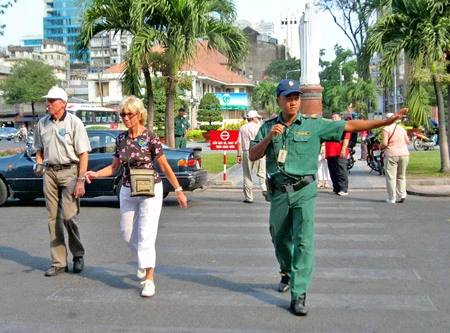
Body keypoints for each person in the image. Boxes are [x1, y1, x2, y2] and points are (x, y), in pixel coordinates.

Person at [249, 79, 408, 316]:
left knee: (303, 241)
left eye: (296, 97)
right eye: (288, 98)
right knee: (279, 238)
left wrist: (385, 121)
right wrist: (269, 137)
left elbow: (351, 126)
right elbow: (252, 155)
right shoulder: (268, 126)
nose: (293, 102)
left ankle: (299, 293)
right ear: (278, 101)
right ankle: (287, 272)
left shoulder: (314, 125)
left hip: (304, 191)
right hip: (280, 192)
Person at [85, 96, 188, 297]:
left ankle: (149, 279)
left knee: (146, 235)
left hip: (151, 189)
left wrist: (178, 190)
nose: (125, 117)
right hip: (127, 188)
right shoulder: (121, 139)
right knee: (127, 233)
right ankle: (143, 260)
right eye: (122, 114)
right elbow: (114, 167)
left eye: (129, 114)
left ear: (139, 115)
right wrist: (95, 174)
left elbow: (165, 166)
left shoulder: (150, 137)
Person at [33, 86, 91, 277]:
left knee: (68, 216)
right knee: (53, 218)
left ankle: (78, 254)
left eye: (52, 101)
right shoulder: (42, 123)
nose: (48, 104)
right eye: (47, 101)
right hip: (49, 172)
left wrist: (81, 180)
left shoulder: (74, 123)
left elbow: (83, 154)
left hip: (70, 171)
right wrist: (39, 164)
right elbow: (39, 150)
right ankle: (58, 262)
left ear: (63, 103)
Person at [237, 110, 268, 203]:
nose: (258, 119)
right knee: (262, 173)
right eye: (257, 118)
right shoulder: (260, 127)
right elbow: (264, 141)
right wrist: (265, 153)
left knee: (247, 175)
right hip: (259, 151)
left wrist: (238, 154)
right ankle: (264, 189)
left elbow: (239, 142)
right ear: (253, 118)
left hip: (247, 152)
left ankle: (249, 197)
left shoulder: (242, 128)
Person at [381, 113, 410, 203]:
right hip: (404, 154)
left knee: (391, 177)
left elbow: (385, 143)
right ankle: (402, 194)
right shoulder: (401, 128)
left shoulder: (386, 129)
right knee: (401, 175)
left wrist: (381, 146)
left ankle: (391, 197)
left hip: (391, 154)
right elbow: (407, 141)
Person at [325, 112, 351, 196]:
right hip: (330, 152)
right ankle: (336, 188)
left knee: (341, 170)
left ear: (340, 118)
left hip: (339, 151)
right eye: (333, 117)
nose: (334, 118)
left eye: (335, 117)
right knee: (332, 171)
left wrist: (343, 149)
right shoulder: (329, 127)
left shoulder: (344, 127)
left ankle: (343, 189)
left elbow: (346, 139)